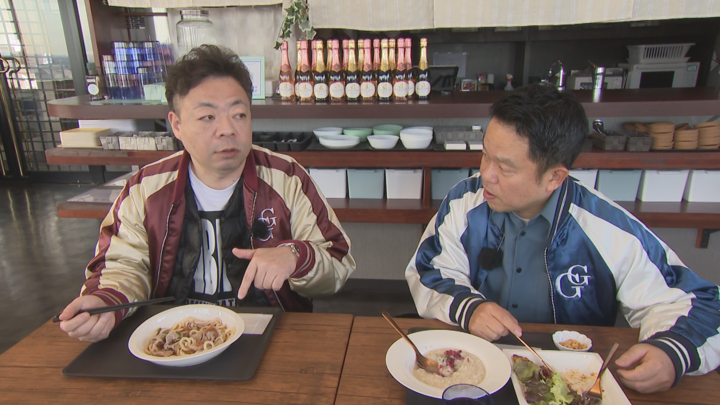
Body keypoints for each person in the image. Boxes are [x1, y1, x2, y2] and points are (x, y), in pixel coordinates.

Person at [405, 84, 720, 394]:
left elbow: (698, 302)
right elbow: (429, 269)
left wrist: (671, 352)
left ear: (554, 177)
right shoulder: (465, 201)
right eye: (485, 155)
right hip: (476, 369)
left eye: (505, 167)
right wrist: (469, 307)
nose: (486, 174)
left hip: (571, 378)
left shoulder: (604, 226)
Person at [59, 45, 355, 342]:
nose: (227, 129)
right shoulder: (145, 188)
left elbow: (337, 263)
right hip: (173, 337)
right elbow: (122, 265)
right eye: (207, 117)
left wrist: (294, 256)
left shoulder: (287, 179)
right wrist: (105, 302)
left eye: (239, 114)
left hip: (270, 334)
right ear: (176, 125)